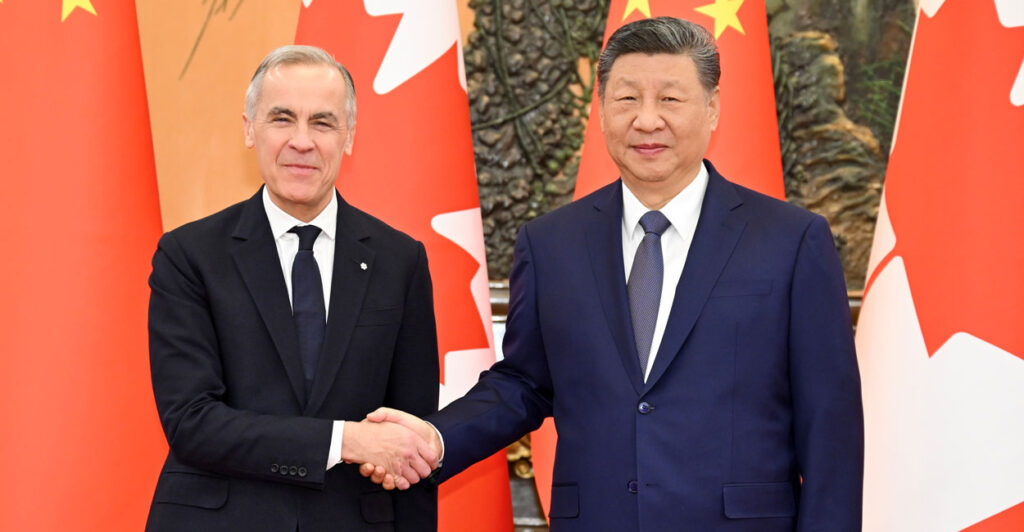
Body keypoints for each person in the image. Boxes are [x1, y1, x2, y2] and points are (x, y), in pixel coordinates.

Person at [363, 17, 864, 531]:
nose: (647, 120)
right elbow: (524, 384)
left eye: (670, 99)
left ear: (712, 109)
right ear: (601, 111)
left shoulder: (791, 241)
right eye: (627, 99)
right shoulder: (551, 242)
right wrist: (435, 438)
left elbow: (830, 426)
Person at [145, 45, 440, 532]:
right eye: (282, 119)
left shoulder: (399, 260)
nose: (302, 141)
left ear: (348, 137)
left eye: (322, 123)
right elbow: (191, 421)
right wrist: (343, 440)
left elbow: (410, 442)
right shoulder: (189, 255)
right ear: (248, 128)